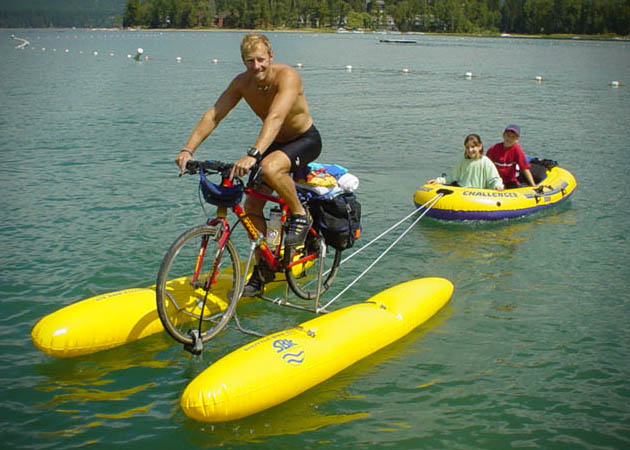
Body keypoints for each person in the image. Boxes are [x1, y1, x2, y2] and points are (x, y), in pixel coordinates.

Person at [174, 33, 322, 296]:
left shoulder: (287, 77)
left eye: (261, 60)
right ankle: (264, 266)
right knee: (252, 205)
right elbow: (214, 114)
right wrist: (188, 149)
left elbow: (276, 117)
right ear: (243, 61)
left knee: (270, 167)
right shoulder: (242, 83)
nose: (256, 66)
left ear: (271, 57)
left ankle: (301, 214)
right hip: (273, 143)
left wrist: (253, 154)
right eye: (249, 61)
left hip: (304, 140)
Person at [429, 134, 504, 190]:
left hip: (479, 194)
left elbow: (494, 179)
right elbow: (453, 176)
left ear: (480, 146)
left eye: (473, 147)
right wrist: (438, 180)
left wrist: (497, 186)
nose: (470, 150)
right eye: (467, 147)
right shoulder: (463, 161)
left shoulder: (486, 162)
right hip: (462, 192)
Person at [486, 124, 536, 189]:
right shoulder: (494, 148)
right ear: (503, 135)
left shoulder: (517, 149)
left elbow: (524, 168)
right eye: (508, 135)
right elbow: (485, 165)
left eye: (513, 137)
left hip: (510, 181)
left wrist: (533, 185)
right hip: (495, 180)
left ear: (517, 139)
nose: (510, 139)